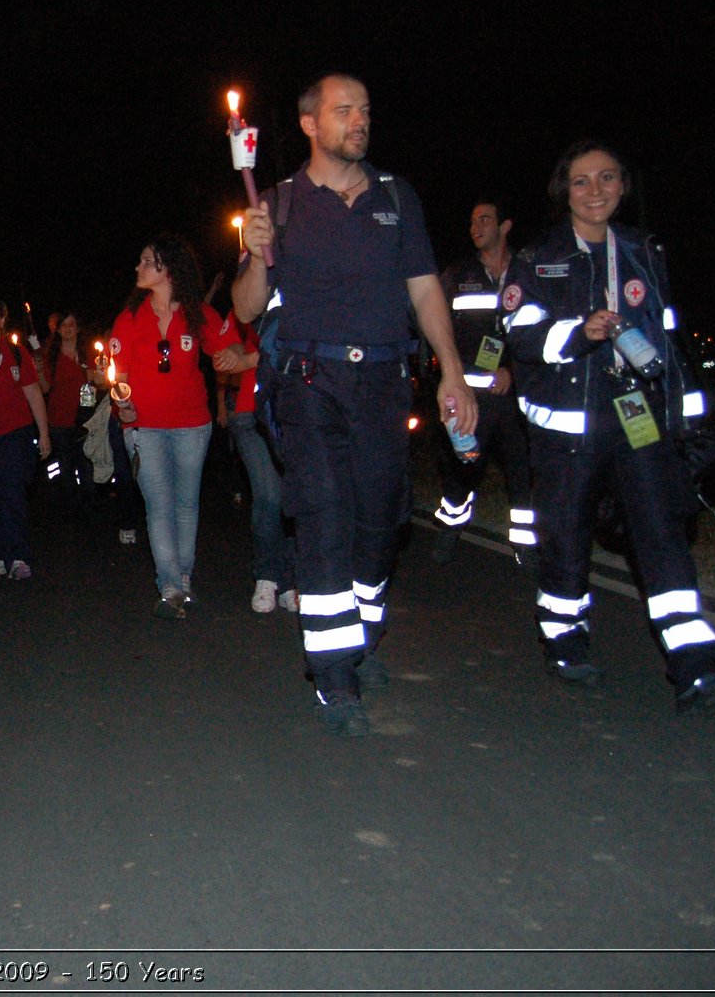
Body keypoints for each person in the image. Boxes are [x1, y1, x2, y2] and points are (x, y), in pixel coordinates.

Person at [232, 73, 477, 736]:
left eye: (365, 109)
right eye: (345, 111)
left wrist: (452, 371)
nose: (359, 120)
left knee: (381, 518)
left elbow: (426, 292)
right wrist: (255, 255)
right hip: (308, 382)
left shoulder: (397, 198)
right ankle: (334, 675)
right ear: (310, 124)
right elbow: (248, 308)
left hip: (384, 383)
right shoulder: (278, 204)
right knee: (322, 517)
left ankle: (361, 626)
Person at [502, 140, 715, 707]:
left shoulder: (645, 249)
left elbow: (669, 340)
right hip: (566, 431)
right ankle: (565, 638)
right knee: (566, 540)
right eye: (581, 181)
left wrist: (689, 418)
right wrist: (583, 331)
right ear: (565, 191)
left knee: (661, 530)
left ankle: (694, 660)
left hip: (637, 417)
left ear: (623, 186)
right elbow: (522, 337)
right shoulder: (536, 257)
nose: (595, 190)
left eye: (606, 179)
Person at [109, 233, 237, 619]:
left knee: (185, 504)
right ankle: (169, 585)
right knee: (158, 504)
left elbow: (227, 352)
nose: (138, 267)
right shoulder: (130, 317)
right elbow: (117, 376)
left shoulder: (198, 314)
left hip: (192, 425)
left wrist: (232, 358)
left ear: (167, 268)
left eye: (146, 261)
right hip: (144, 427)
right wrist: (123, 405)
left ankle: (184, 577)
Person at [432, 199, 536, 568]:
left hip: (517, 396)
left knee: (523, 470)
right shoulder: (458, 274)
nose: (476, 226)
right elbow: (436, 324)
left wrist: (513, 372)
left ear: (504, 226)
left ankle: (526, 545)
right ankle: (452, 524)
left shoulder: (528, 272)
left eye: (485, 219)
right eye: (472, 220)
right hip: (471, 396)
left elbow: (540, 333)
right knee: (464, 467)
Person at [217, 316, 298, 613]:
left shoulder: (301, 285)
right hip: (251, 412)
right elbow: (229, 348)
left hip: (297, 408)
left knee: (294, 495)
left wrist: (251, 357)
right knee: (268, 496)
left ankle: (290, 581)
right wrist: (236, 353)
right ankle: (266, 577)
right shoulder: (245, 300)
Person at [0, 297, 52, 579]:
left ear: (3, 319)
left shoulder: (17, 353)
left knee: (13, 491)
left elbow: (33, 393)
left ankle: (18, 555)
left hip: (16, 434)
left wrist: (44, 433)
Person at [43, 312, 94, 507]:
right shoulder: (52, 355)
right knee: (65, 465)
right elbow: (45, 388)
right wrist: (39, 370)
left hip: (84, 419)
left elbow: (97, 383)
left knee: (86, 463)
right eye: (63, 325)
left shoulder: (87, 353)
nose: (67, 328)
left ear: (78, 328)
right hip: (59, 419)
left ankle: (90, 505)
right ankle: (70, 507)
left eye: (71, 324)